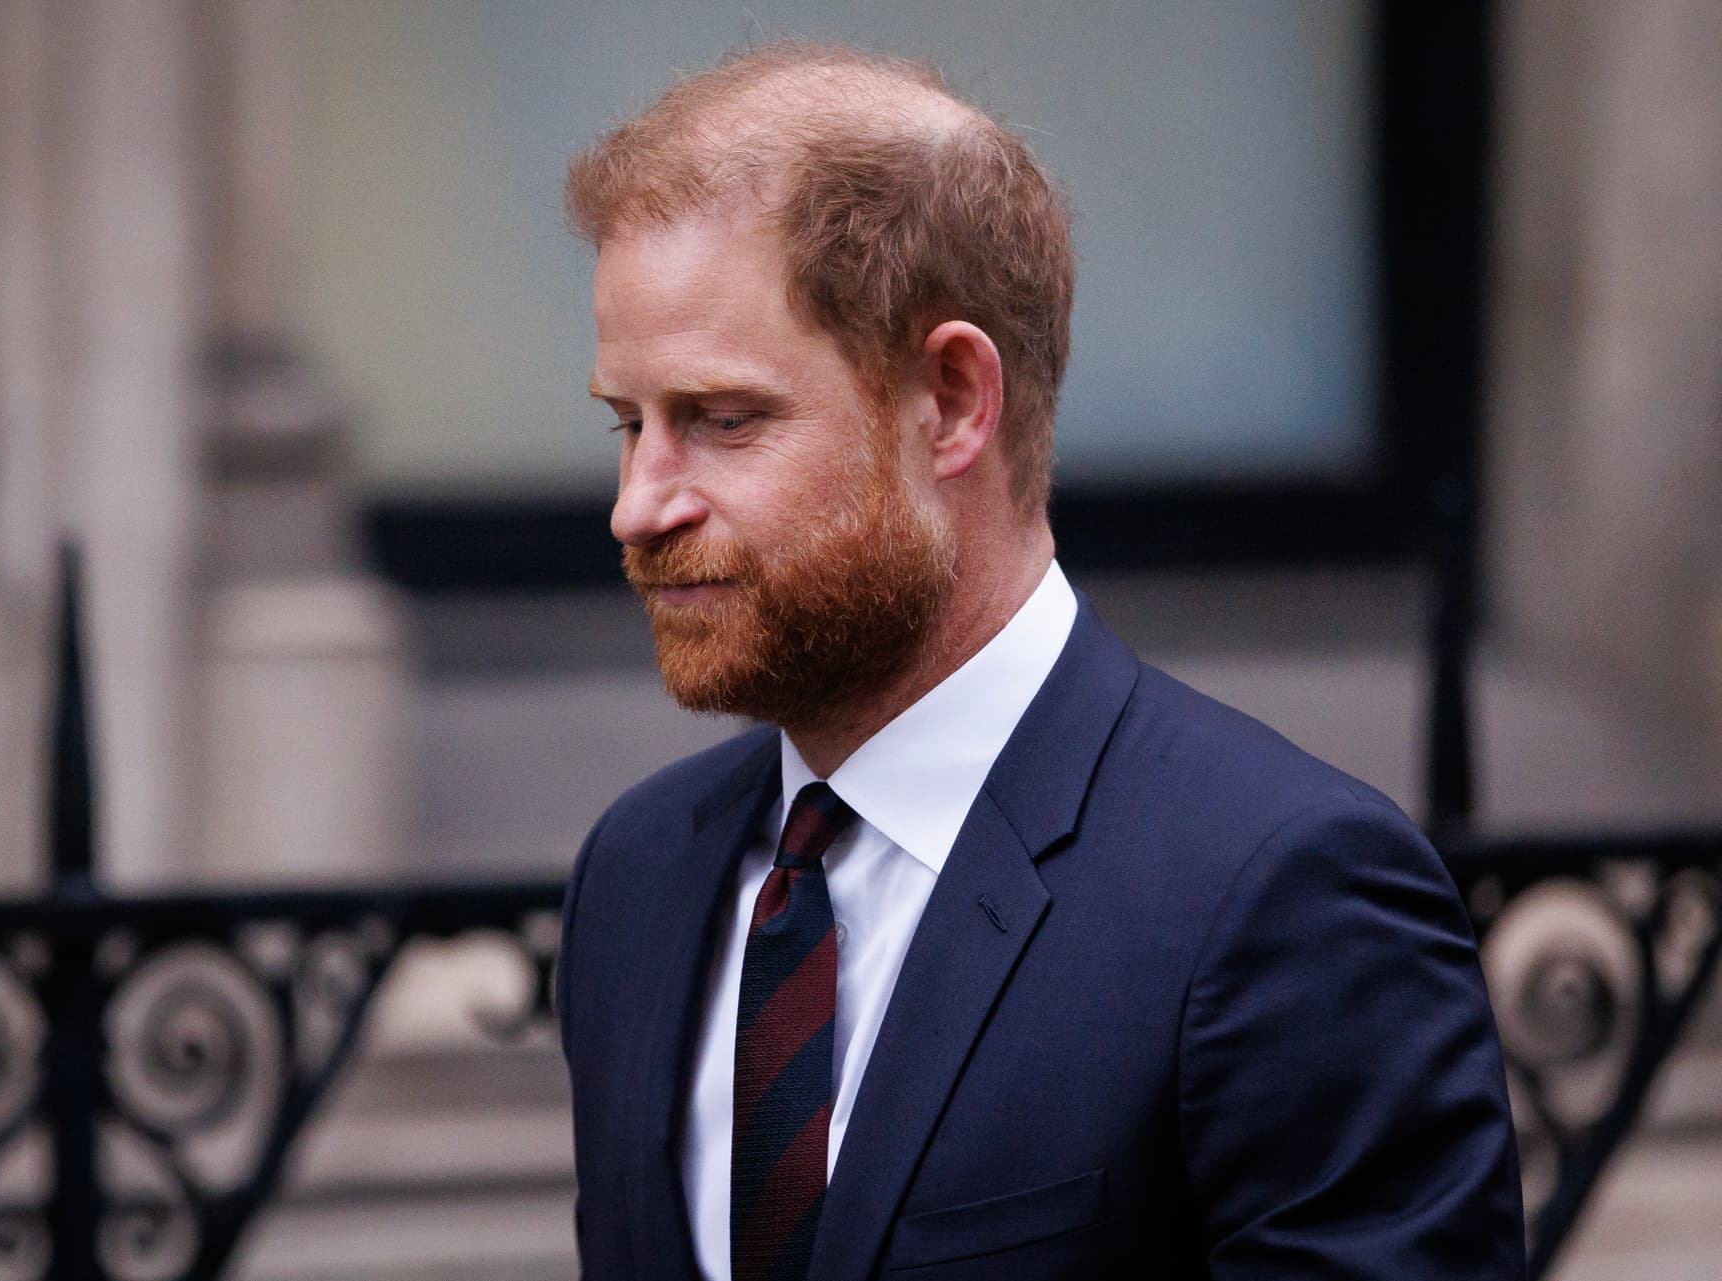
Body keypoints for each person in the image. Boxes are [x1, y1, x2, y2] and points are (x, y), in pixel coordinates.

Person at [555, 40, 1524, 1281]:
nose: (639, 506)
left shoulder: (1285, 901)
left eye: (723, 420)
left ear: (956, 401)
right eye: (628, 424)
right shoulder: (640, 877)